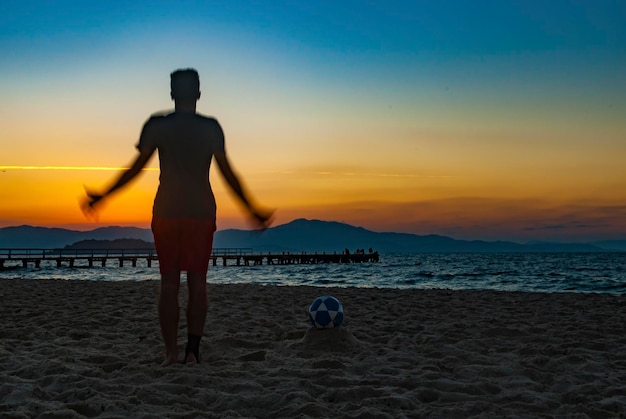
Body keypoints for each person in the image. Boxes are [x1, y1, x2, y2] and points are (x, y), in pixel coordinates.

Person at [83, 68, 273, 366]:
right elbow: (228, 173)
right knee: (198, 282)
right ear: (198, 93)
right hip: (200, 212)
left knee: (169, 283)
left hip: (167, 211)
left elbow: (134, 170)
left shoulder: (157, 125)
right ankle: (193, 352)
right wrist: (252, 209)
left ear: (172, 93)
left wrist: (103, 195)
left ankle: (171, 353)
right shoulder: (211, 128)